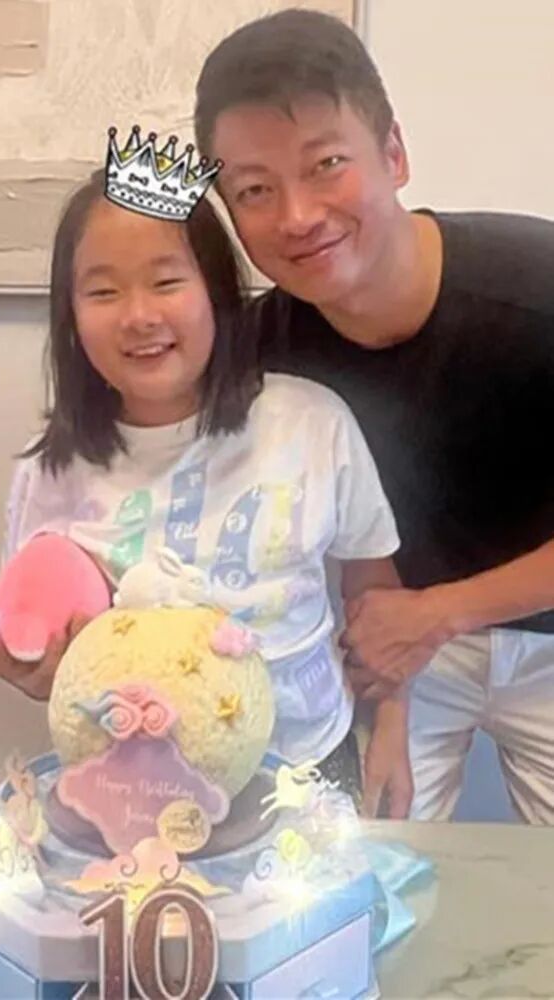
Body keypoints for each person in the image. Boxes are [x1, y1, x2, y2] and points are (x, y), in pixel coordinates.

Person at [194, 8, 554, 823]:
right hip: (392, 652)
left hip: (520, 626)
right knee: (362, 861)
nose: (297, 216)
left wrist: (441, 613)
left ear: (394, 154)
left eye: (326, 164)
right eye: (254, 190)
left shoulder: (536, 292)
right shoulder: (259, 354)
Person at [0, 161, 412, 817]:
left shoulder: (310, 424)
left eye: (166, 282)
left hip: (305, 773)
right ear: (70, 315)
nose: (139, 315)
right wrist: (32, 669)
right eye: (103, 292)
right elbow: (39, 640)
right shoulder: (48, 473)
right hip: (129, 791)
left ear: (217, 292)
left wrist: (392, 725)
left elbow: (375, 595)